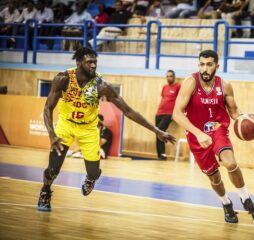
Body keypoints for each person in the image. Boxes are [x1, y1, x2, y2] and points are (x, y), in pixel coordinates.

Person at [37, 47, 176, 212]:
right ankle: (45, 191)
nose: (94, 65)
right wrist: (52, 135)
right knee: (53, 169)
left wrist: (156, 131)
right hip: (65, 125)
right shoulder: (63, 79)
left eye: (95, 62)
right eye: (89, 62)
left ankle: (91, 178)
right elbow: (47, 108)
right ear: (79, 63)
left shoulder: (101, 85)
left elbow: (129, 111)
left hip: (88, 129)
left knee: (94, 172)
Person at [173, 50, 254, 223]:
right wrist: (198, 133)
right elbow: (177, 114)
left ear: (217, 66)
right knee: (214, 177)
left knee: (230, 163)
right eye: (201, 64)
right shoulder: (190, 82)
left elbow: (234, 111)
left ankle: (246, 200)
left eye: (209, 64)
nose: (205, 69)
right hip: (196, 135)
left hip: (217, 128)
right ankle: (226, 204)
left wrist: (245, 119)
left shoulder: (225, 85)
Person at [155, 70, 181, 160]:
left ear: (174, 77)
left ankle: (163, 154)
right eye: (167, 76)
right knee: (157, 132)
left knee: (161, 130)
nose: (169, 78)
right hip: (159, 113)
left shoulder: (178, 86)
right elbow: (163, 98)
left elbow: (180, 100)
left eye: (170, 76)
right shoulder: (164, 87)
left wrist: (177, 113)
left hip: (169, 113)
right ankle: (160, 155)